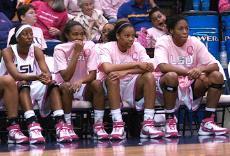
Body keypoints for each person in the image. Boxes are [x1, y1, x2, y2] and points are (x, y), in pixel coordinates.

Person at [154, 15, 228, 136]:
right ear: (171, 30)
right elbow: (163, 67)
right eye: (181, 28)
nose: (185, 32)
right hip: (167, 85)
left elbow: (214, 65)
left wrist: (200, 69)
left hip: (190, 84)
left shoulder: (194, 41)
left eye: (187, 28)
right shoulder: (163, 41)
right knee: (171, 76)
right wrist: (190, 72)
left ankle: (207, 122)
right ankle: (170, 121)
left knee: (217, 76)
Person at [1, 24, 72, 143]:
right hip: (10, 90)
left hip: (31, 84)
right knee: (23, 83)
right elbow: (16, 76)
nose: (29, 37)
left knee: (52, 84)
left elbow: (46, 71)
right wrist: (37, 77)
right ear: (17, 38)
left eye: (31, 34)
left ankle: (60, 124)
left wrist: (46, 77)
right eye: (25, 34)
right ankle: (32, 124)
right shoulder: (8, 51)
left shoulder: (36, 50)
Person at [98, 21, 165, 140]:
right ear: (118, 36)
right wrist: (136, 64)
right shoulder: (107, 47)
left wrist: (127, 71)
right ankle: (117, 124)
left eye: (133, 36)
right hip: (111, 86)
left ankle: (148, 123)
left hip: (132, 83)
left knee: (149, 76)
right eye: (127, 36)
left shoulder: (138, 46)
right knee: (112, 76)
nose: (131, 39)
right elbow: (107, 68)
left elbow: (150, 66)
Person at [53, 20, 109, 140]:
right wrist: (77, 52)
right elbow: (66, 77)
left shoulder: (90, 46)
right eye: (75, 34)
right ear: (67, 35)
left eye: (81, 34)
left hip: (83, 86)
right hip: (64, 87)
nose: (79, 37)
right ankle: (68, 125)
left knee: (97, 83)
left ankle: (98, 125)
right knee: (67, 85)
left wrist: (80, 81)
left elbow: (93, 74)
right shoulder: (59, 49)